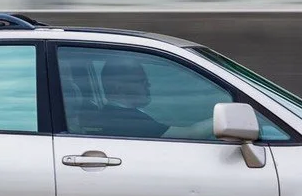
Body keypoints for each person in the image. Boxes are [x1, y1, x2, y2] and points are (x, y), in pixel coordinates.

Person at [87, 57, 217, 140]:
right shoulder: (126, 120)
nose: (148, 85)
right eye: (141, 81)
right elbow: (191, 135)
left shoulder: (109, 115)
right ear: (118, 87)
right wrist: (223, 118)